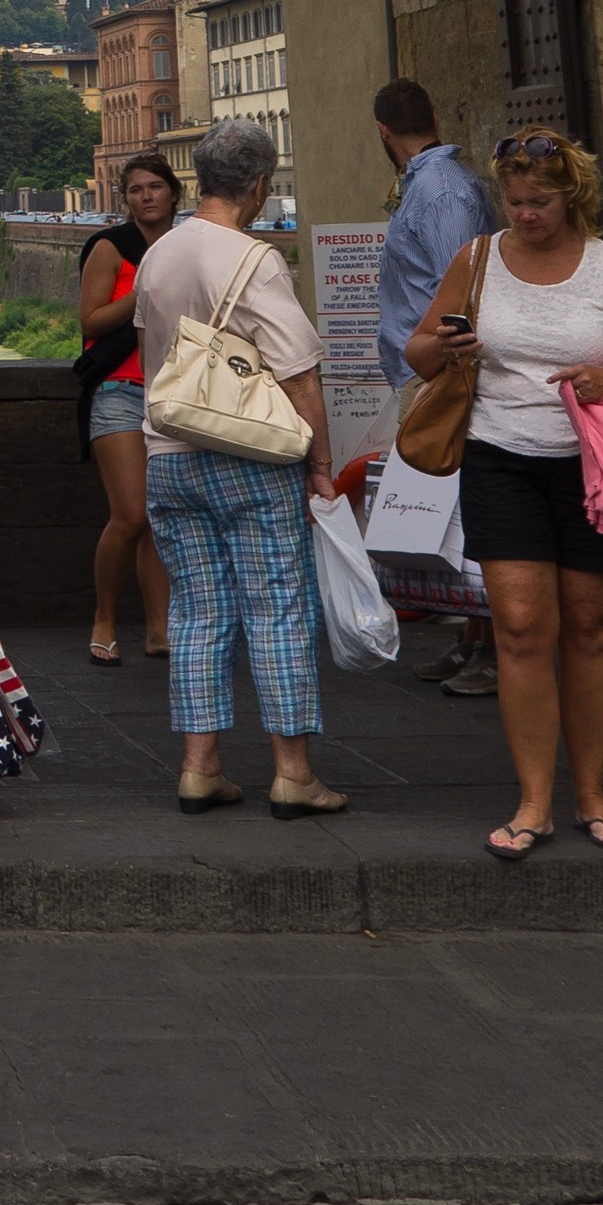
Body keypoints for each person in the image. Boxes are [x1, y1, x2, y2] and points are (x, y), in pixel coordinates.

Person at [404, 127, 603, 860]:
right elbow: (418, 350)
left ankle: (590, 795)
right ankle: (533, 802)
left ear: (570, 196)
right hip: (499, 459)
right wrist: (447, 347)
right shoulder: (478, 258)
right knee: (521, 627)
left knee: (588, 629)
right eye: (515, 201)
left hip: (591, 469)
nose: (524, 215)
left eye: (539, 202)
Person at [135, 119, 345, 820]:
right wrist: (319, 462)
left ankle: (199, 767)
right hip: (247, 457)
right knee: (276, 608)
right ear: (257, 185)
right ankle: (293, 775)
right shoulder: (252, 259)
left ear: (196, 179)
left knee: (195, 612)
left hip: (167, 454)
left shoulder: (159, 254)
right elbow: (298, 373)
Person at [373, 77, 501, 695]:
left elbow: (464, 284)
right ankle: (472, 638)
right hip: (428, 368)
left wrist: (451, 369)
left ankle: (495, 649)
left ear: (383, 132)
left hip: (442, 374)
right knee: (452, 516)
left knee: (470, 512)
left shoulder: (442, 189)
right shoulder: (429, 183)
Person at [77, 152, 180, 665]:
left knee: (161, 517)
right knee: (131, 514)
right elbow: (91, 322)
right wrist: (145, 285)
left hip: (177, 394)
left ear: (173, 193)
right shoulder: (109, 248)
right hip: (119, 390)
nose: (146, 196)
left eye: (155, 186)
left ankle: (159, 630)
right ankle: (105, 617)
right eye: (137, 189)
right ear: (126, 199)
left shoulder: (188, 247)